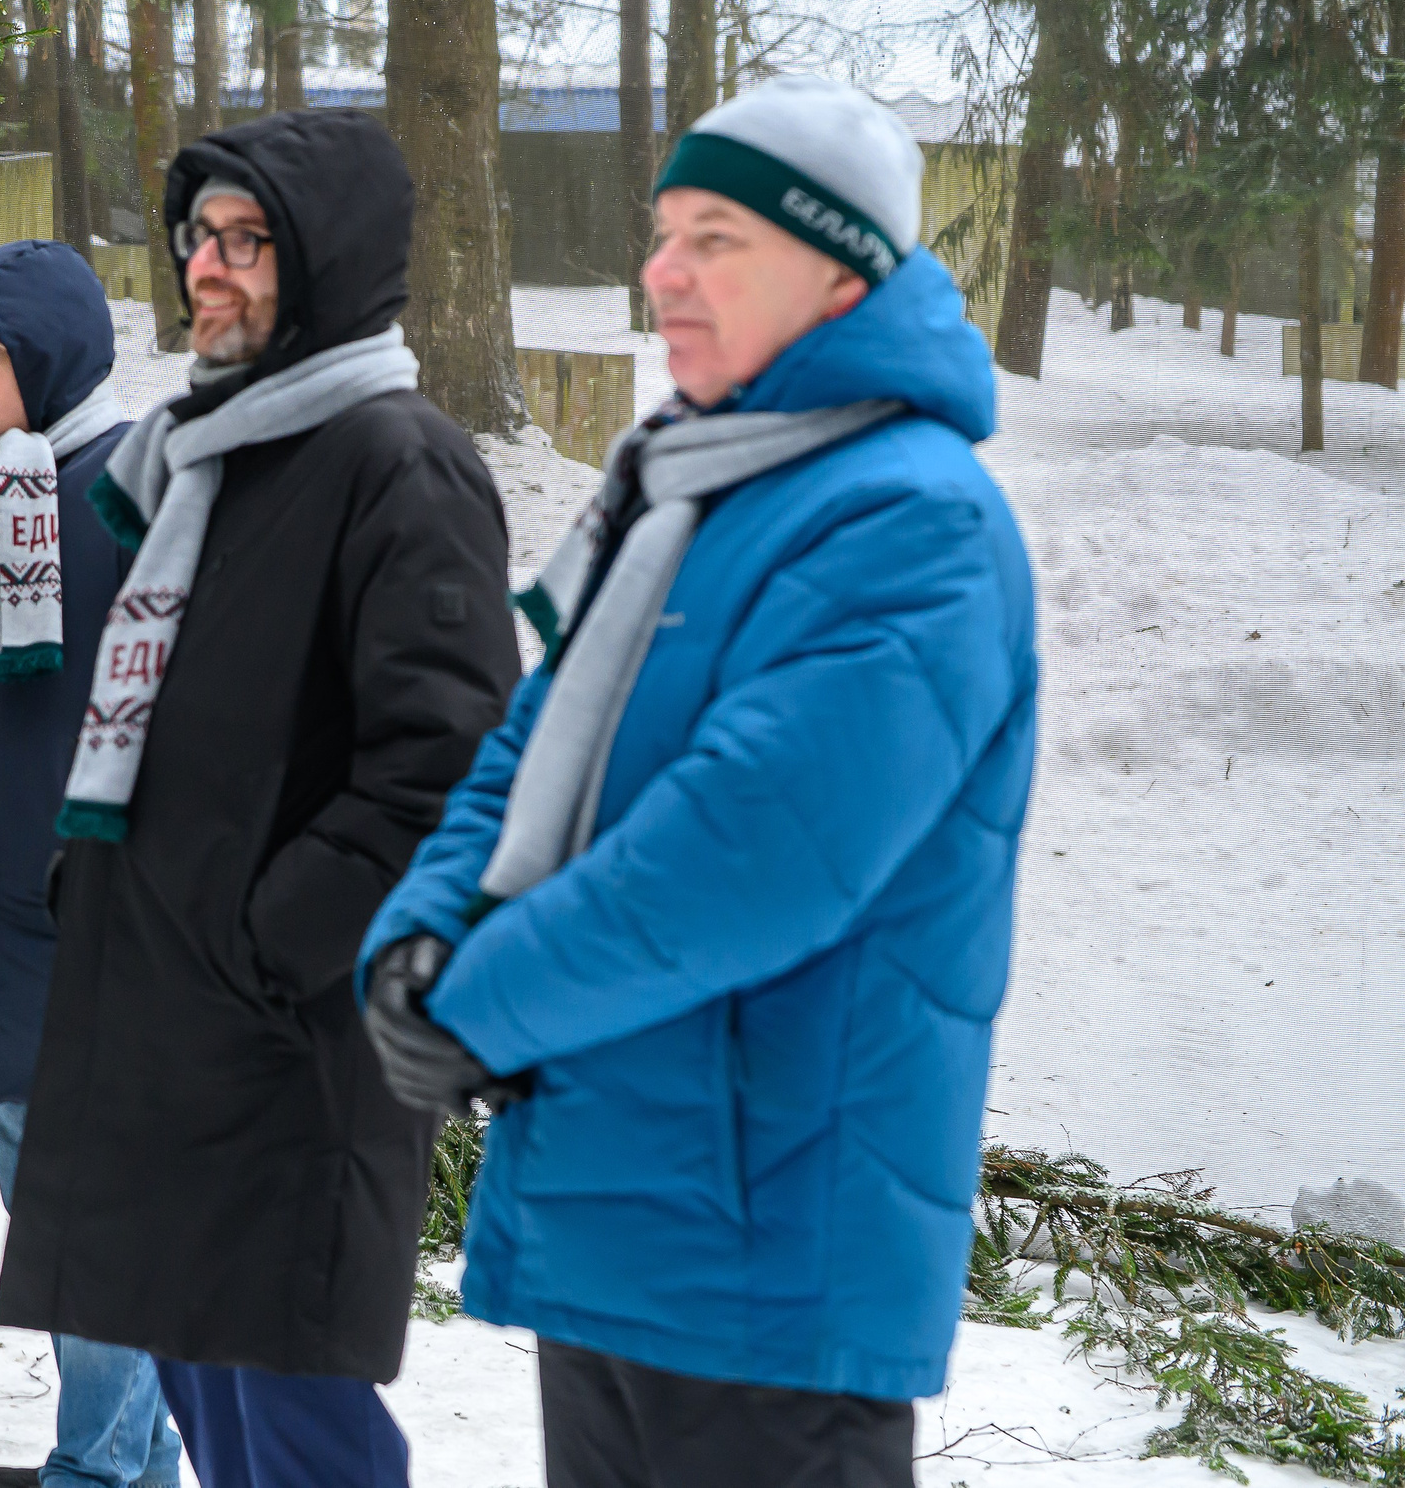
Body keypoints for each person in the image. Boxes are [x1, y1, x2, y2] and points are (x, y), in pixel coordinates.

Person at [357, 75, 1039, 1488]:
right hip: (623, 1212)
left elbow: (742, 855)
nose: (660, 271)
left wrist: (478, 1003)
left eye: (713, 236)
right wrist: (420, 933)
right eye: (663, 231)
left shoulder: (913, 519)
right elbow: (531, 745)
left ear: (842, 263)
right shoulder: (690, 488)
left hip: (769, 1250)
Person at [0, 109, 523, 1488]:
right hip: (169, 1035)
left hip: (287, 1050)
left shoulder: (399, 463)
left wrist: (265, 938)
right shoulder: (209, 458)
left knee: (296, 1427)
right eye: (199, 237)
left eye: (249, 241)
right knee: (213, 1404)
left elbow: (448, 765)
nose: (208, 269)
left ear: (329, 262)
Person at [0, 239, 180, 1488]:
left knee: (85, 1219)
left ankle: (103, 1473)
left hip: (93, 926)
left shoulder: (123, 497)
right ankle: (123, 1456)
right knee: (50, 1207)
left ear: (52, 356)